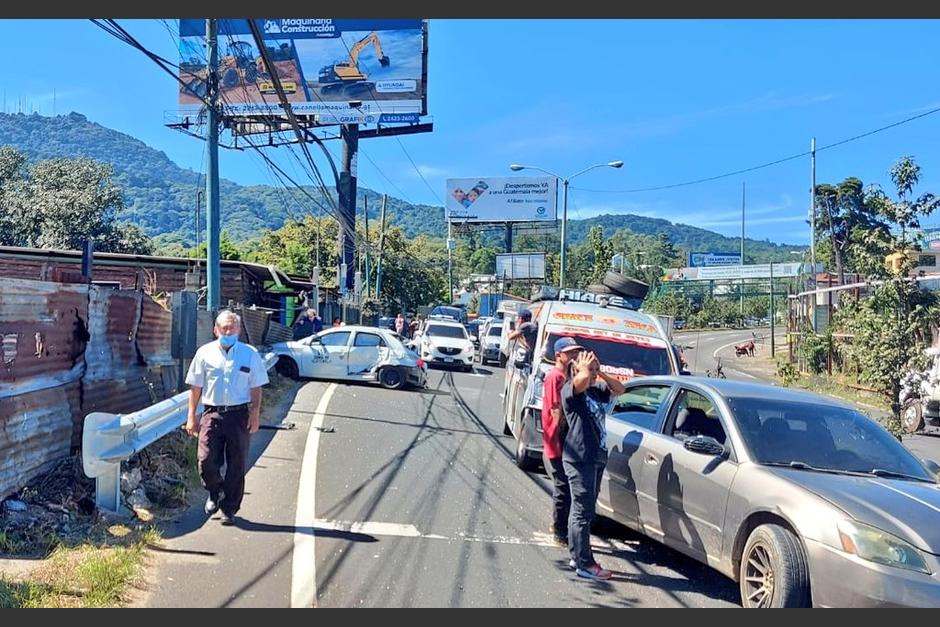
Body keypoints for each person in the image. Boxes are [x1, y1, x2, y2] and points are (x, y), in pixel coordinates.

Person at [184, 310, 269, 525]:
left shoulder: (249, 354)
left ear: (238, 330)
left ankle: (229, 507)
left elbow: (256, 386)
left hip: (238, 415)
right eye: (224, 328)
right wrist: (191, 417)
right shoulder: (204, 353)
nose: (228, 331)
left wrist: (255, 412)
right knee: (205, 460)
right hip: (211, 413)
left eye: (232, 328)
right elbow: (195, 387)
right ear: (215, 330)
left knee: (237, 463)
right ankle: (215, 491)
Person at [562, 349, 626, 580]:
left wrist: (600, 372)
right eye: (587, 368)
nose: (591, 372)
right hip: (580, 457)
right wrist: (584, 370)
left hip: (597, 456)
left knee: (585, 510)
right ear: (576, 370)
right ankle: (585, 563)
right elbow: (580, 382)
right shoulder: (571, 391)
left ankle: (576, 555)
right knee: (582, 510)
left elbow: (620, 389)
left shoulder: (597, 391)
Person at [541, 337, 582, 546]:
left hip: (567, 442)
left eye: (576, 352)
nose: (574, 356)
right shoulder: (554, 377)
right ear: (559, 355)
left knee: (566, 486)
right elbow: (556, 409)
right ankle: (559, 531)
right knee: (563, 487)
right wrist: (564, 436)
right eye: (570, 352)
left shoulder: (568, 376)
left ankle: (561, 526)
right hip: (557, 441)